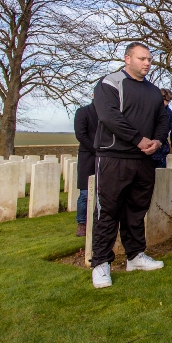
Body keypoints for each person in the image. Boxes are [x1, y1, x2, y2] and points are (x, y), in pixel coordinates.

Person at [90, 42, 169, 289]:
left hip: (143, 159)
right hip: (114, 156)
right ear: (127, 59)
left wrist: (156, 140)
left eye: (149, 59)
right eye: (142, 58)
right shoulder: (110, 83)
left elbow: (163, 117)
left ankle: (135, 255)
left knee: (137, 210)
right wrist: (138, 139)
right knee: (108, 210)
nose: (147, 63)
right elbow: (109, 116)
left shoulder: (154, 91)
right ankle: (101, 263)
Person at [73, 94, 98, 237]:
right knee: (85, 193)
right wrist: (96, 150)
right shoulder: (83, 112)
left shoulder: (108, 112)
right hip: (88, 157)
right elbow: (81, 135)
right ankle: (82, 223)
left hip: (106, 158)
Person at [151, 88, 172, 168]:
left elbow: (170, 128)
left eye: (168, 101)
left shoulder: (168, 112)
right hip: (149, 148)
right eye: (165, 100)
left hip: (162, 151)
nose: (166, 103)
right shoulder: (151, 109)